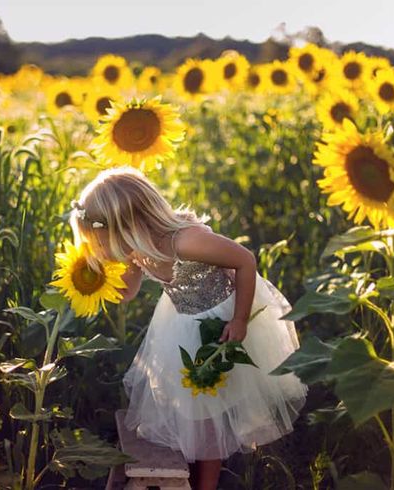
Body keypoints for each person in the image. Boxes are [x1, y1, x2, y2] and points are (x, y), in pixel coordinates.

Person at [69, 166, 308, 490]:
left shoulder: (186, 242)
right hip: (182, 322)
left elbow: (245, 260)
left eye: (103, 241)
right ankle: (186, 466)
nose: (105, 248)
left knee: (210, 410)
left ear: (127, 225)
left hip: (222, 319)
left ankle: (206, 482)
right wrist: (97, 276)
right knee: (190, 405)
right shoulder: (137, 249)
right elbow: (128, 293)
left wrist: (238, 320)